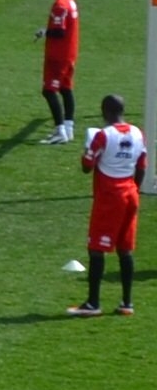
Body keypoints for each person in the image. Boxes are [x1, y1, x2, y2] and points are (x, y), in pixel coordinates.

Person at [72, 93, 146, 317]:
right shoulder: (137, 133)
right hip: (131, 193)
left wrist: (87, 149)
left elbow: (87, 166)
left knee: (96, 249)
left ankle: (93, 303)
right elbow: (142, 166)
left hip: (109, 196)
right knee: (125, 249)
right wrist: (134, 188)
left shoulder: (103, 136)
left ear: (104, 111)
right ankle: (127, 303)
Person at [40, 0, 82, 144]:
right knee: (65, 89)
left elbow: (59, 31)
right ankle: (68, 128)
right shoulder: (69, 0)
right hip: (69, 54)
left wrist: (45, 32)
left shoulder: (60, 5)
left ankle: (60, 132)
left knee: (49, 91)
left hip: (59, 56)